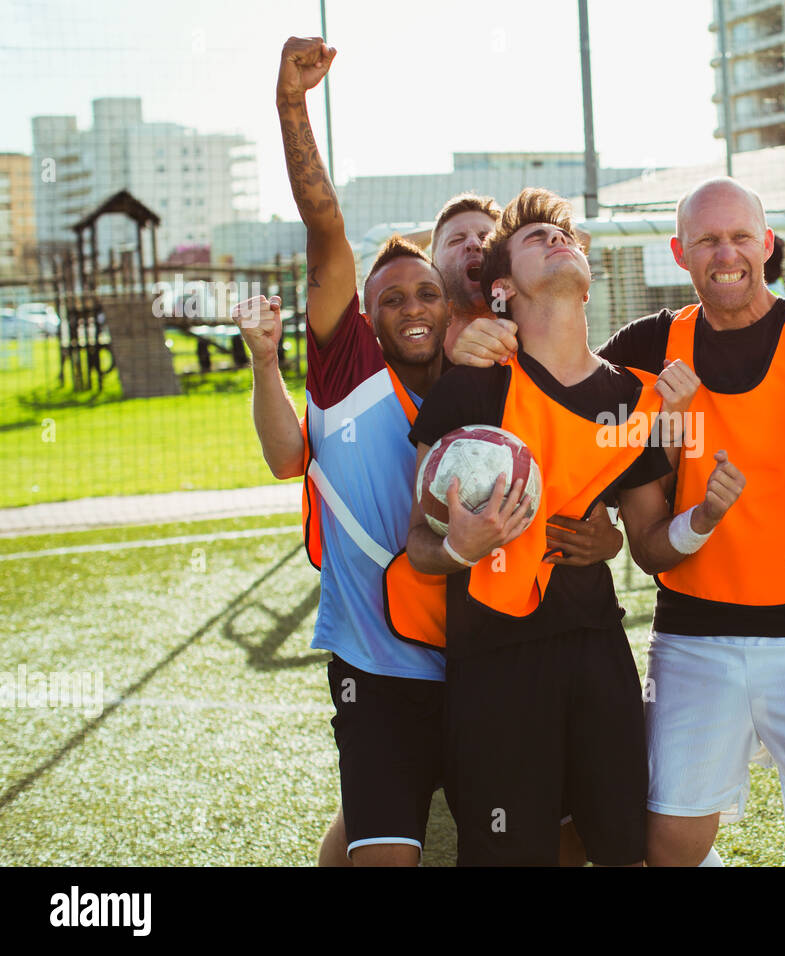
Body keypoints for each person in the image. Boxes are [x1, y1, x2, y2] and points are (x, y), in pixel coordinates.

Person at [450, 177, 785, 866]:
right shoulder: (649, 347)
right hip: (693, 636)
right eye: (708, 240)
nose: (727, 254)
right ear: (682, 254)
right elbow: (559, 381)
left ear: (768, 246)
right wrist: (480, 336)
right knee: (664, 846)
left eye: (741, 236)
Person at [237, 37, 620, 866]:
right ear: (366, 315)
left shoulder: (496, 376)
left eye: (430, 290)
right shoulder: (351, 367)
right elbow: (325, 224)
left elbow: (588, 475)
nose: (415, 304)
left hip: (490, 657)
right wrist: (292, 106)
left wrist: (605, 538)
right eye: (394, 296)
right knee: (386, 837)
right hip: (381, 665)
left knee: (545, 832)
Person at [405, 187, 744, 866]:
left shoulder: (635, 396)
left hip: (597, 649)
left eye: (564, 238)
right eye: (536, 239)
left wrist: (699, 517)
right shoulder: (471, 387)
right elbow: (418, 546)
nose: (557, 242)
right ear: (501, 289)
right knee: (508, 852)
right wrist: (459, 546)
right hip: (493, 660)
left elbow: (649, 548)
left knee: (622, 846)